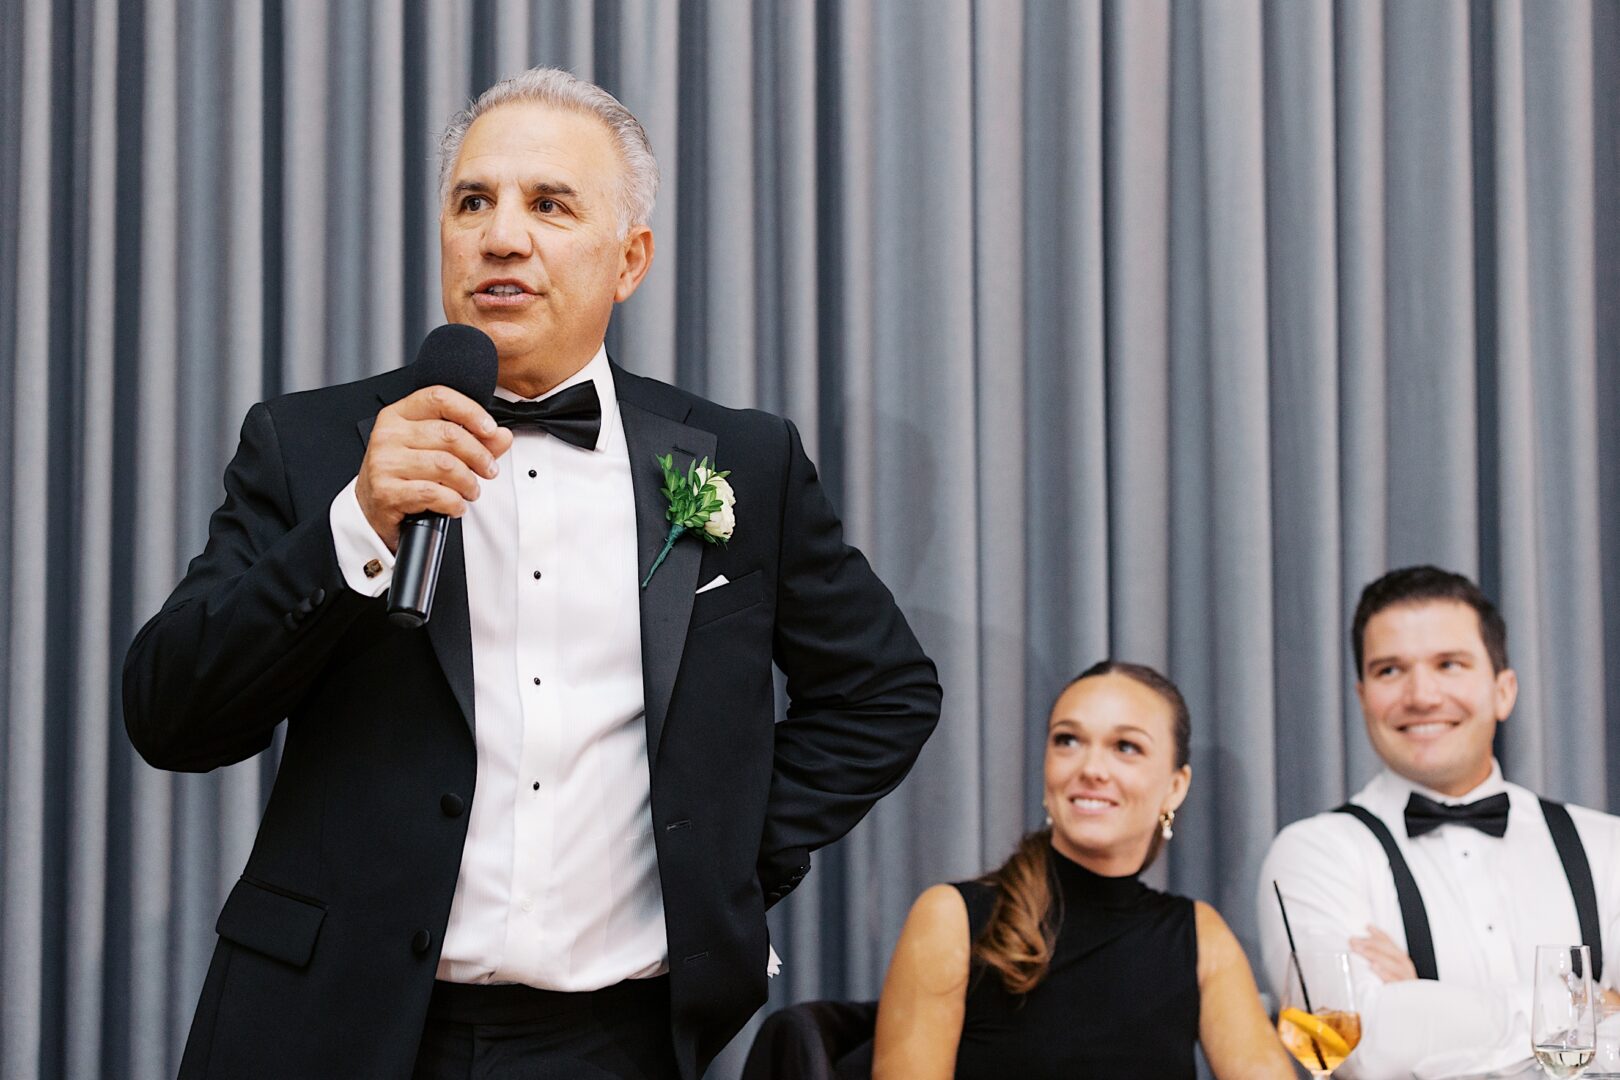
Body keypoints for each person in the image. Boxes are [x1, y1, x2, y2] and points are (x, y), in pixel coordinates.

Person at [121, 66, 941, 1080]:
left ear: (629, 258)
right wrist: (354, 523)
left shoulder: (739, 460)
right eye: (474, 202)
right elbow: (170, 718)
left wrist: (718, 857)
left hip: (610, 1041)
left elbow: (884, 691)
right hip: (323, 1026)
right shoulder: (314, 443)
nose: (501, 235)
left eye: (549, 204)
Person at [1258, 565, 1620, 1078]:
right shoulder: (1312, 854)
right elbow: (1356, 1052)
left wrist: (1419, 1002)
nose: (1422, 695)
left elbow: (1396, 1039)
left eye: (1449, 664)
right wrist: (1595, 1003)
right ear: (1362, 699)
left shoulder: (1608, 845)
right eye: (1389, 670)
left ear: (1504, 691)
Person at [870, 661, 1296, 1079]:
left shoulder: (1200, 935)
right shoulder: (951, 917)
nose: (1091, 769)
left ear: (1175, 787)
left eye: (1126, 747)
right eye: (1068, 740)